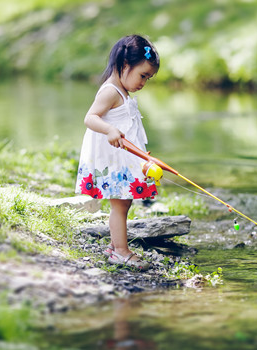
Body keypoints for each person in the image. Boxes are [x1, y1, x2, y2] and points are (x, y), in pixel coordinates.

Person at [76, 34, 160, 271]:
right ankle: (120, 251)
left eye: (148, 78)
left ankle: (115, 245)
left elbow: (130, 128)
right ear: (125, 66)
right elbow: (90, 118)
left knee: (125, 202)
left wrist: (141, 154)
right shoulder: (110, 91)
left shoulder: (123, 92)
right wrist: (109, 129)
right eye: (143, 75)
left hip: (123, 158)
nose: (144, 82)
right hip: (112, 160)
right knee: (120, 204)